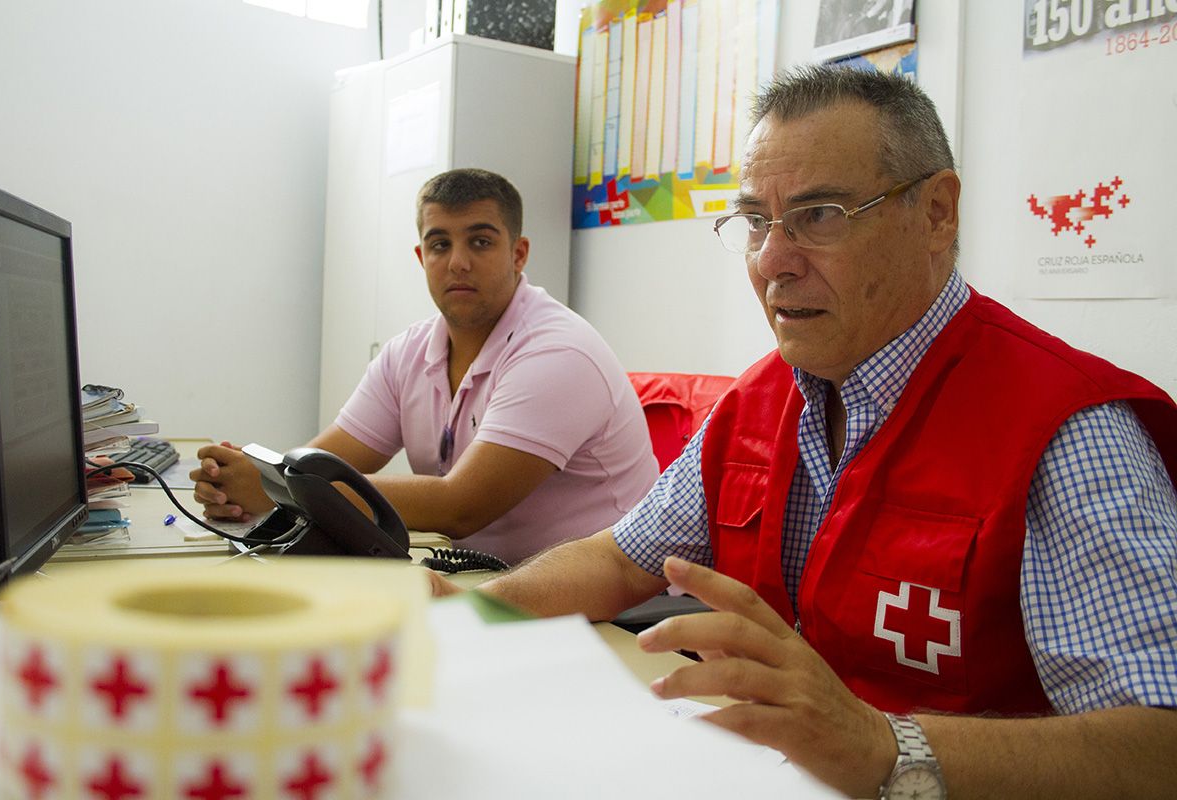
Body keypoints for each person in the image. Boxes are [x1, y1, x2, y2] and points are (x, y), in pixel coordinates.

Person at [432, 67, 1177, 798]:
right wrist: (466, 614)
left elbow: (1160, 746)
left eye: (821, 216)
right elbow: (619, 561)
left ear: (938, 213)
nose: (770, 262)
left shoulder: (1067, 432)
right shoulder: (761, 400)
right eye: (756, 221)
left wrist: (887, 747)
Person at [191, 168, 658, 563]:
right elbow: (323, 465)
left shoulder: (558, 353)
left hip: (612, 602)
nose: (457, 263)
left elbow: (461, 506)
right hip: (494, 581)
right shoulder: (407, 353)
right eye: (439, 245)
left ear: (518, 254)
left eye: (480, 241)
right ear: (422, 257)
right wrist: (243, 482)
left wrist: (278, 491)